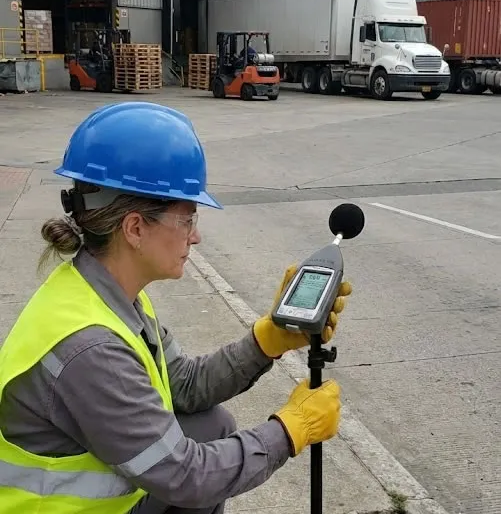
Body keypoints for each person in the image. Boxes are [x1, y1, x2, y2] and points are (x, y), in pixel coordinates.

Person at [0, 102, 352, 514]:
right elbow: (186, 476)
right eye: (187, 220)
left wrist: (267, 341)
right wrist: (291, 429)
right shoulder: (93, 349)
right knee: (202, 458)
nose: (196, 237)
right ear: (135, 228)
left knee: (212, 425)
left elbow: (182, 384)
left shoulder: (102, 292)